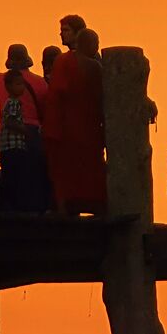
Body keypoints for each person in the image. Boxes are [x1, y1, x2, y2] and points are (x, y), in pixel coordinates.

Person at [44, 25, 107, 215]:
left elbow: (56, 93)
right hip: (84, 124)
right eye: (96, 44)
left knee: (65, 172)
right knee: (88, 169)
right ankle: (95, 205)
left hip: (63, 124)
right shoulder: (93, 66)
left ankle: (66, 207)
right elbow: (102, 96)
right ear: (88, 44)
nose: (97, 48)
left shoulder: (62, 61)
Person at [0, 43, 53, 214]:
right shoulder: (40, 82)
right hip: (33, 131)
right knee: (33, 171)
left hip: (7, 136)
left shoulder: (2, 79)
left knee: (11, 170)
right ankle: (33, 206)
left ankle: (10, 205)